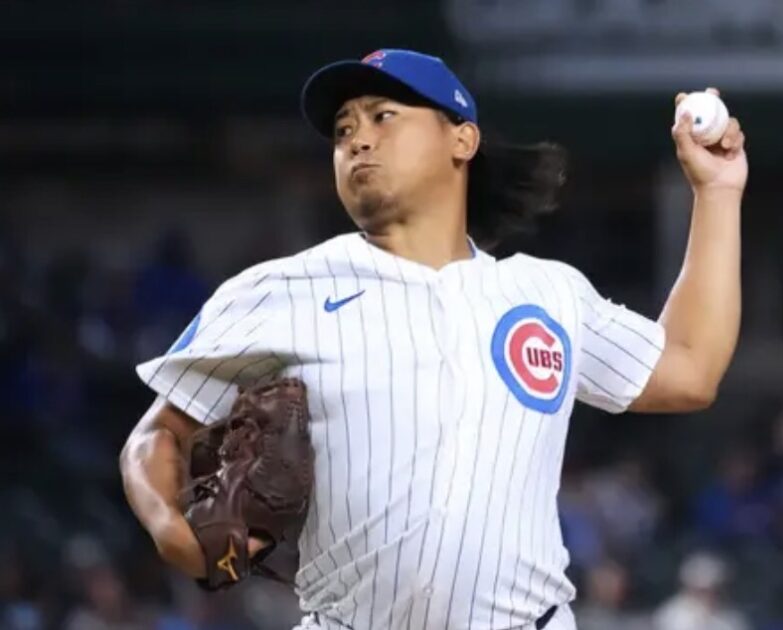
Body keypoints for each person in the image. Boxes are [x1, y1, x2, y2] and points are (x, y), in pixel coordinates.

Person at [119, 48, 747, 629]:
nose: (358, 138)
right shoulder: (278, 290)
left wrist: (716, 193)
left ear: (462, 139)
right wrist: (171, 529)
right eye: (342, 130)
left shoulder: (546, 293)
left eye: (383, 116)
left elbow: (689, 369)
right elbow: (157, 434)